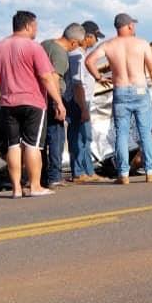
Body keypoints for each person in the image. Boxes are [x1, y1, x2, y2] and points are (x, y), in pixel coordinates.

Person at [0, 11, 66, 198]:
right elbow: (46, 77)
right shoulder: (34, 48)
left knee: (13, 146)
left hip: (7, 103)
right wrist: (58, 102)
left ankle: (16, 189)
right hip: (33, 103)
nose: (36, 30)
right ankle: (35, 186)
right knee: (32, 145)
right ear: (28, 26)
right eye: (36, 26)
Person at [85, 13, 152, 185]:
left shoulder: (108, 45)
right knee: (145, 132)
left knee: (121, 133)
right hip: (140, 90)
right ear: (129, 26)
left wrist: (99, 77)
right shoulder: (142, 44)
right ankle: (150, 171)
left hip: (120, 90)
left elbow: (89, 60)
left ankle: (123, 174)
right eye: (133, 25)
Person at [41, 23, 86, 187]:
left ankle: (42, 176)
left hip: (39, 96)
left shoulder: (46, 44)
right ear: (73, 42)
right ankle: (54, 176)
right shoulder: (60, 54)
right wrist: (58, 102)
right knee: (56, 137)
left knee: (42, 140)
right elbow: (53, 78)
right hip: (53, 96)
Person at [65, 21, 107, 183]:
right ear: (87, 37)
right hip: (79, 102)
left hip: (79, 101)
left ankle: (85, 171)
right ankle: (83, 172)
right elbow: (78, 84)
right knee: (82, 137)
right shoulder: (78, 56)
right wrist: (83, 108)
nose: (96, 41)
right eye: (95, 37)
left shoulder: (79, 55)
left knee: (80, 137)